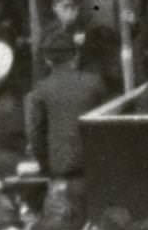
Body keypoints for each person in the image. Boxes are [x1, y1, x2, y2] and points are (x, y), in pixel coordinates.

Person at [23, 36, 108, 218]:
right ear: (75, 56)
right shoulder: (95, 83)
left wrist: (46, 164)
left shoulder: (41, 89)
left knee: (64, 228)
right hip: (97, 172)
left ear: (47, 60)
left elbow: (35, 133)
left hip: (63, 174)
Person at [36, 0, 119, 86]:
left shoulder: (86, 25)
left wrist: (132, 27)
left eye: (74, 7)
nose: (70, 12)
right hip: (59, 83)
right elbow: (41, 67)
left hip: (84, 81)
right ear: (54, 8)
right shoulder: (47, 32)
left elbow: (113, 39)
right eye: (65, 7)